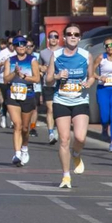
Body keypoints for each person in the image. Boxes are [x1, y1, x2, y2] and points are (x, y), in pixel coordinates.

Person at [46, 23, 94, 188]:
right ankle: (66, 176)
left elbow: (92, 76)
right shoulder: (56, 55)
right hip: (62, 100)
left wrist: (88, 83)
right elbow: (48, 79)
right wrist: (58, 76)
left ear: (79, 37)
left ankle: (77, 153)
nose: (73, 36)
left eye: (76, 34)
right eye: (69, 34)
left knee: (80, 137)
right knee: (64, 139)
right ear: (64, 37)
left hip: (80, 99)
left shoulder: (86, 55)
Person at [0, 36, 41, 166]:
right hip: (13, 94)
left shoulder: (32, 60)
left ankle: (24, 148)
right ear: (15, 47)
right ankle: (17, 154)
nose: (21, 46)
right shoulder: (9, 61)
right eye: (18, 44)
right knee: (17, 125)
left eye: (23, 44)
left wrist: (23, 76)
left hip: (28, 94)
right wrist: (15, 73)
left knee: (25, 128)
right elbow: (6, 79)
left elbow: (36, 79)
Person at [92, 36, 112, 152]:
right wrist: (99, 77)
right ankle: (104, 127)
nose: (109, 47)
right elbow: (90, 71)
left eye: (111, 45)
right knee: (105, 115)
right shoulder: (101, 58)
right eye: (106, 45)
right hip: (103, 89)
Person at [39, 30, 61, 144]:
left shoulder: (63, 51)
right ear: (48, 39)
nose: (53, 39)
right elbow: (39, 66)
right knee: (50, 109)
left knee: (59, 110)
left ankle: (58, 129)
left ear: (58, 39)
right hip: (47, 84)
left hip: (60, 84)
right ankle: (51, 133)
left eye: (55, 37)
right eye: (51, 37)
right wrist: (41, 69)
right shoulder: (43, 53)